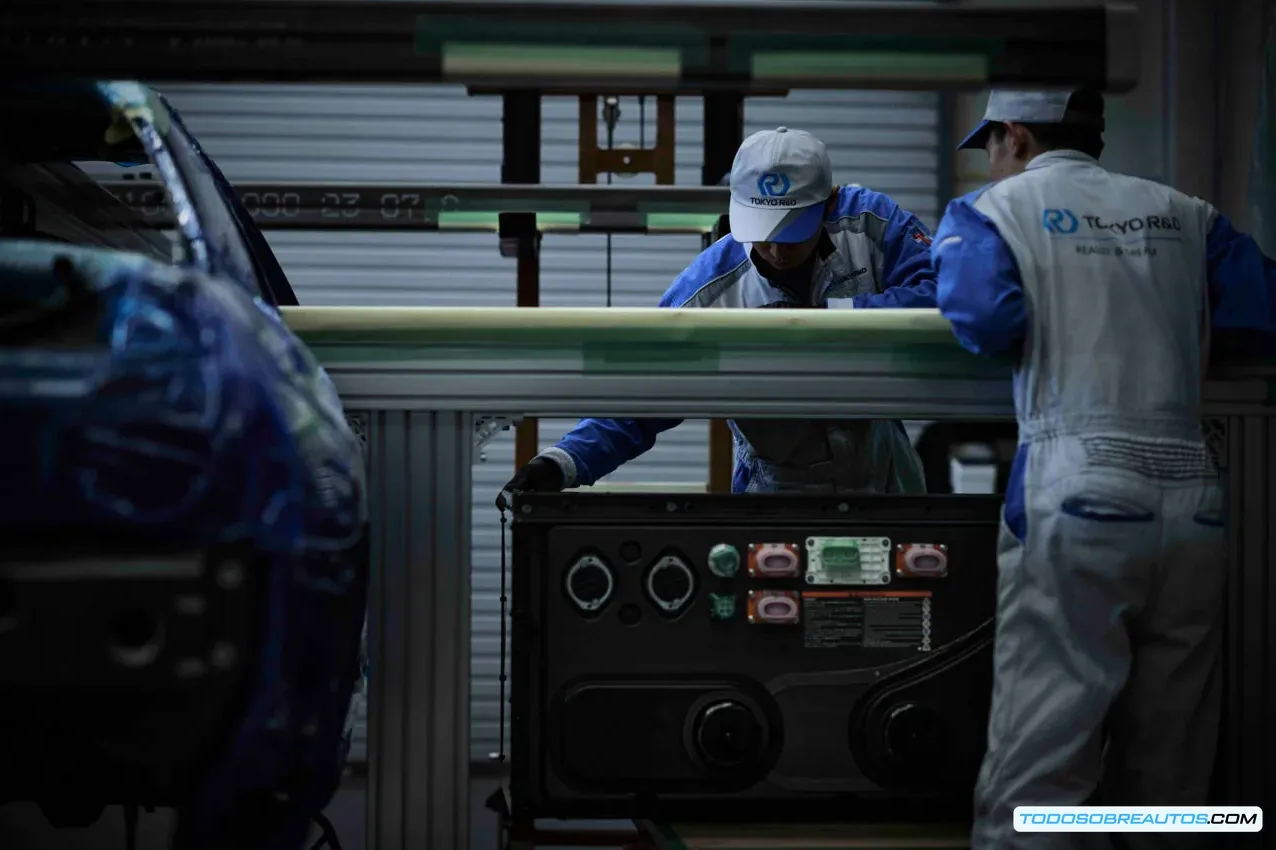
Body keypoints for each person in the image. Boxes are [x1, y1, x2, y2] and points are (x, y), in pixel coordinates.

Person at [934, 88, 1276, 848]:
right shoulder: (1188, 214)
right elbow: (1259, 318)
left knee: (1042, 767)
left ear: (1013, 136)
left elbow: (986, 323)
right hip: (1194, 497)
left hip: (1079, 489)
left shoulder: (992, 211)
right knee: (1171, 773)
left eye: (989, 145)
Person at [503, 126, 939, 497]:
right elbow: (641, 396)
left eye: (791, 233)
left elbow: (943, 292)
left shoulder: (871, 224)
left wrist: (836, 316)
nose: (773, 249)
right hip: (776, 503)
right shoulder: (710, 289)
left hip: (890, 488)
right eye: (762, 231)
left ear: (829, 204)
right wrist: (562, 463)